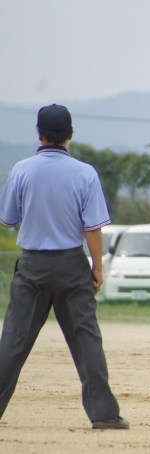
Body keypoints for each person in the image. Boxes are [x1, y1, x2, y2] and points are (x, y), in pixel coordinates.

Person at [0, 104, 129, 429]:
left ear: (39, 134)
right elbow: (93, 229)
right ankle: (104, 415)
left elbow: (8, 219)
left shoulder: (22, 170)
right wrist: (97, 268)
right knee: (86, 339)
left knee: (14, 340)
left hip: (32, 265)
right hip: (72, 264)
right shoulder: (85, 173)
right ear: (70, 135)